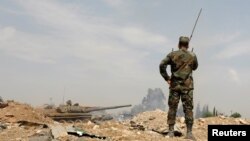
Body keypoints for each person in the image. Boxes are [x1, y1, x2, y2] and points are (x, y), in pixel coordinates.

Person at [159, 36, 198, 140]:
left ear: (178, 44)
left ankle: (171, 132)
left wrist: (167, 78)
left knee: (172, 108)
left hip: (174, 86)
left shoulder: (172, 54)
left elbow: (162, 65)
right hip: (187, 86)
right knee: (188, 109)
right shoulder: (192, 55)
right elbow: (195, 67)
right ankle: (189, 133)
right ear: (188, 45)